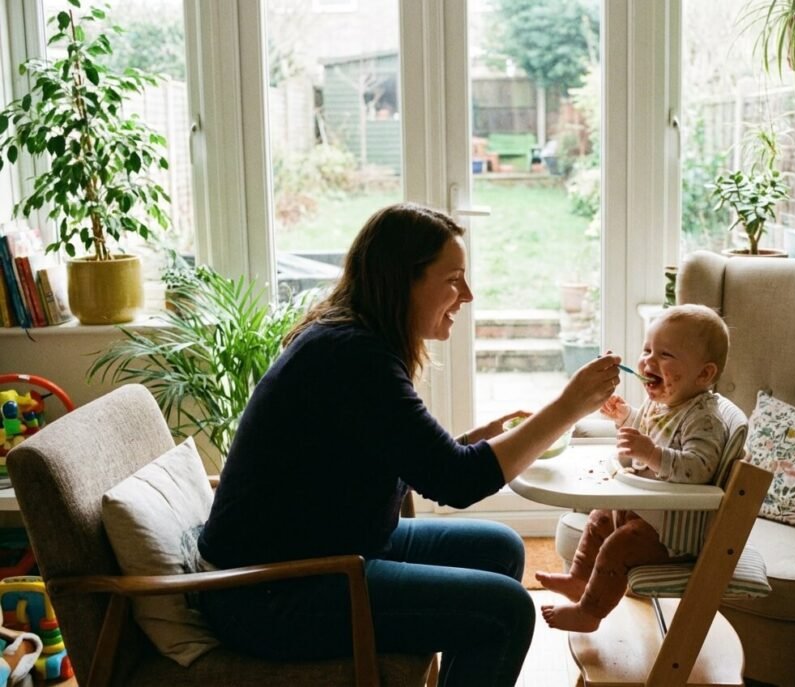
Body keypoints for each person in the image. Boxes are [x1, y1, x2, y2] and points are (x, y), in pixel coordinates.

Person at [196, 202, 621, 687]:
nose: (468, 295)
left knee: (499, 549)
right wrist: (569, 406)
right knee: (506, 609)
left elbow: (389, 459)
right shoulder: (353, 356)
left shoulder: (351, 341)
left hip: (329, 552)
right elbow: (459, 482)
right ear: (404, 279)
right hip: (271, 593)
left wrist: (472, 442)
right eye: (454, 279)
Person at [536, 304, 733, 633]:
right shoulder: (664, 403)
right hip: (648, 512)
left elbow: (698, 468)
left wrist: (654, 454)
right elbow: (645, 436)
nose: (648, 361)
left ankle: (589, 612)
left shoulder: (705, 419)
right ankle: (579, 578)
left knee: (618, 547)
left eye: (665, 354)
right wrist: (625, 418)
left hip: (673, 532)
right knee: (600, 517)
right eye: (647, 350)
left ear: (704, 374)